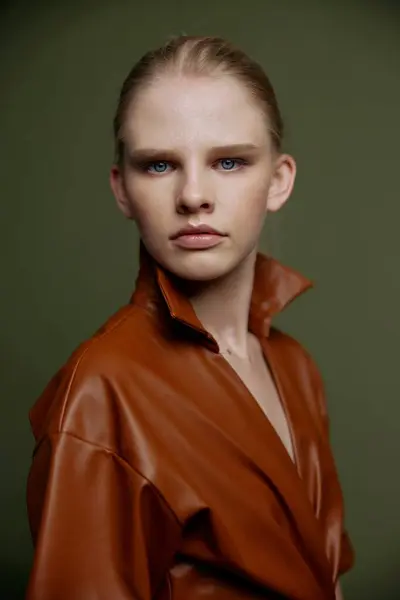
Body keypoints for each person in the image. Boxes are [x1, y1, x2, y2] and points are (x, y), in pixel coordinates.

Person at [25, 35, 354, 600]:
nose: (193, 194)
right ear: (122, 189)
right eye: (158, 165)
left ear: (278, 180)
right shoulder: (102, 391)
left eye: (229, 161)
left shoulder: (295, 366)